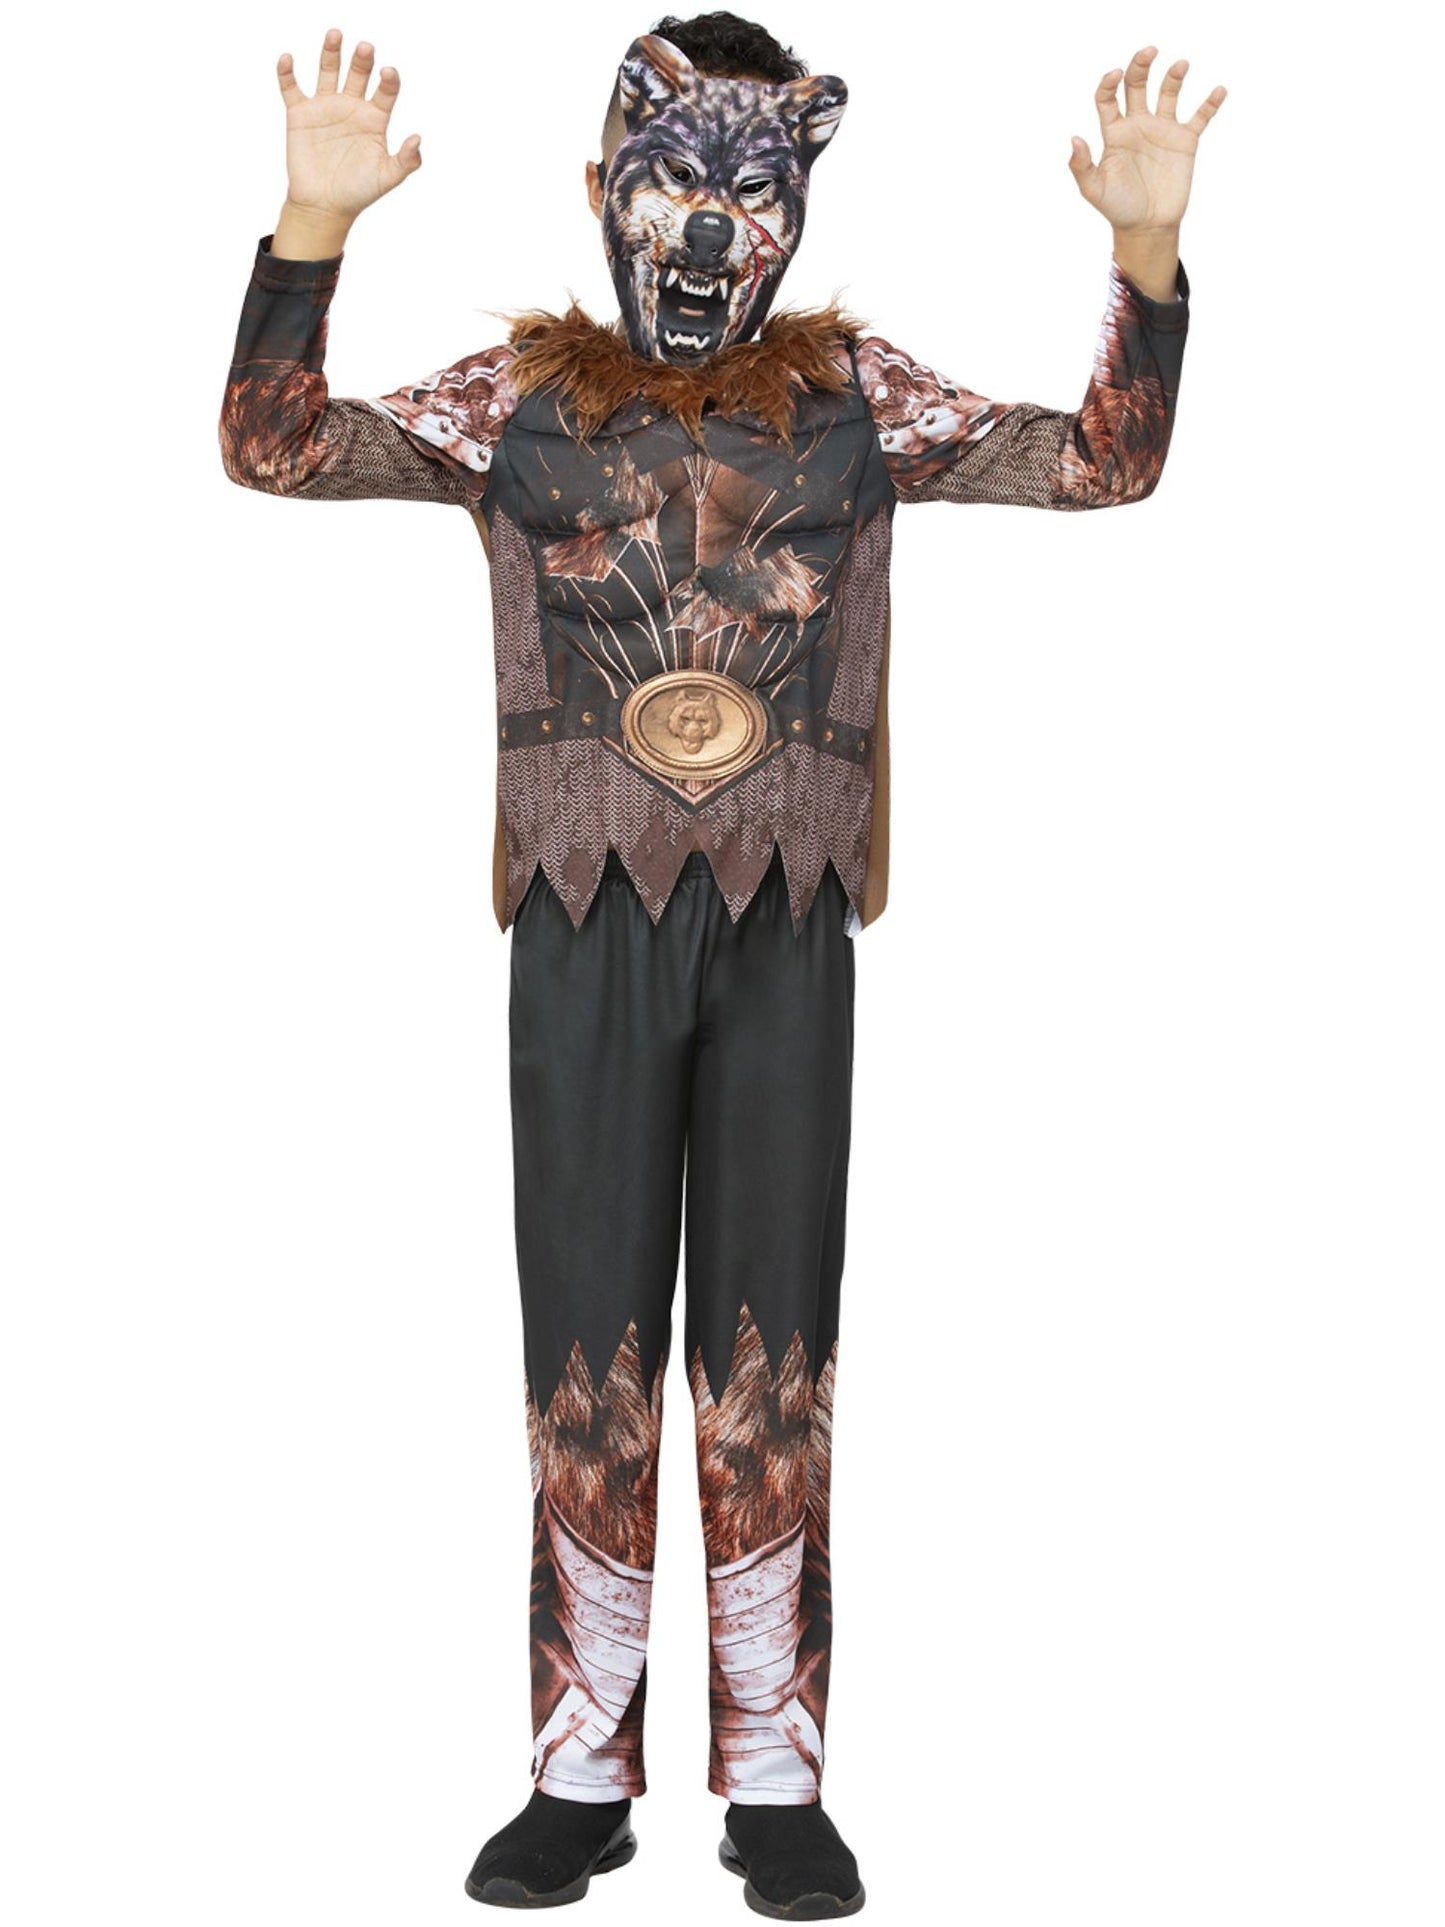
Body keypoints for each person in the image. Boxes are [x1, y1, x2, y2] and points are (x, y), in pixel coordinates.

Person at [219, 12, 1225, 1915]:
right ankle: (575, 1775)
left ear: (799, 208)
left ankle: (775, 1780)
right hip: (581, 918)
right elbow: (271, 451)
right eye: (670, 181)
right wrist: (310, 230)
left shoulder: (858, 399)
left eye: (751, 192)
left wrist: (1145, 259)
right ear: (602, 189)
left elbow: (1104, 468)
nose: (703, 230)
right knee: (583, 1346)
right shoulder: (516, 399)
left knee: (774, 1353)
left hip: (784, 922)